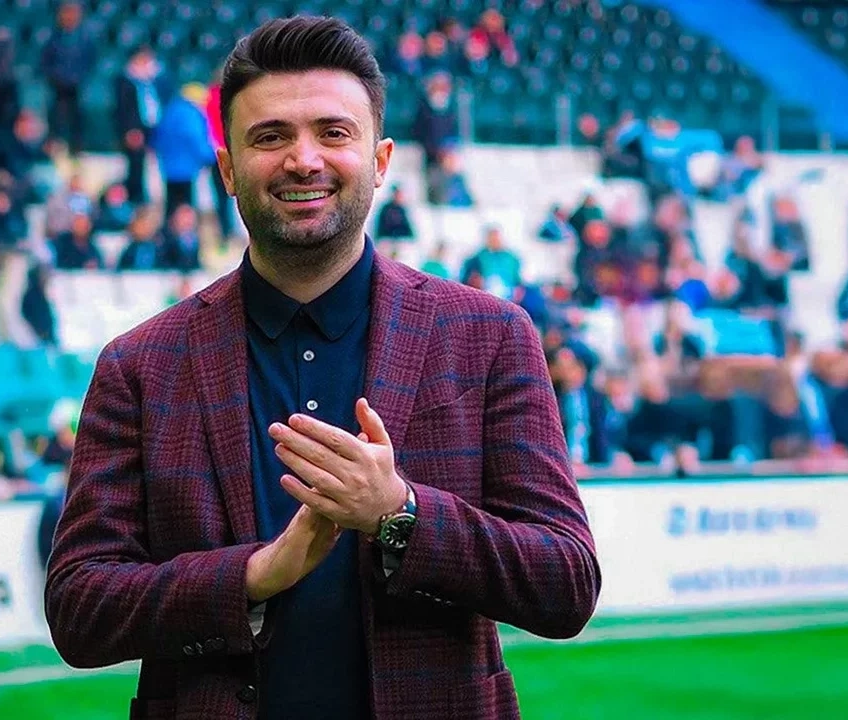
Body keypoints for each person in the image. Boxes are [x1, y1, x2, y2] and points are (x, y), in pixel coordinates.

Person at [45, 16, 600, 720]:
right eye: (270, 137)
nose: (303, 160)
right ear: (227, 170)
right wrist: (252, 576)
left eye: (333, 133)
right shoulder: (140, 366)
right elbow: (79, 607)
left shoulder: (489, 337)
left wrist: (400, 514)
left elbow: (566, 582)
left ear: (381, 160)